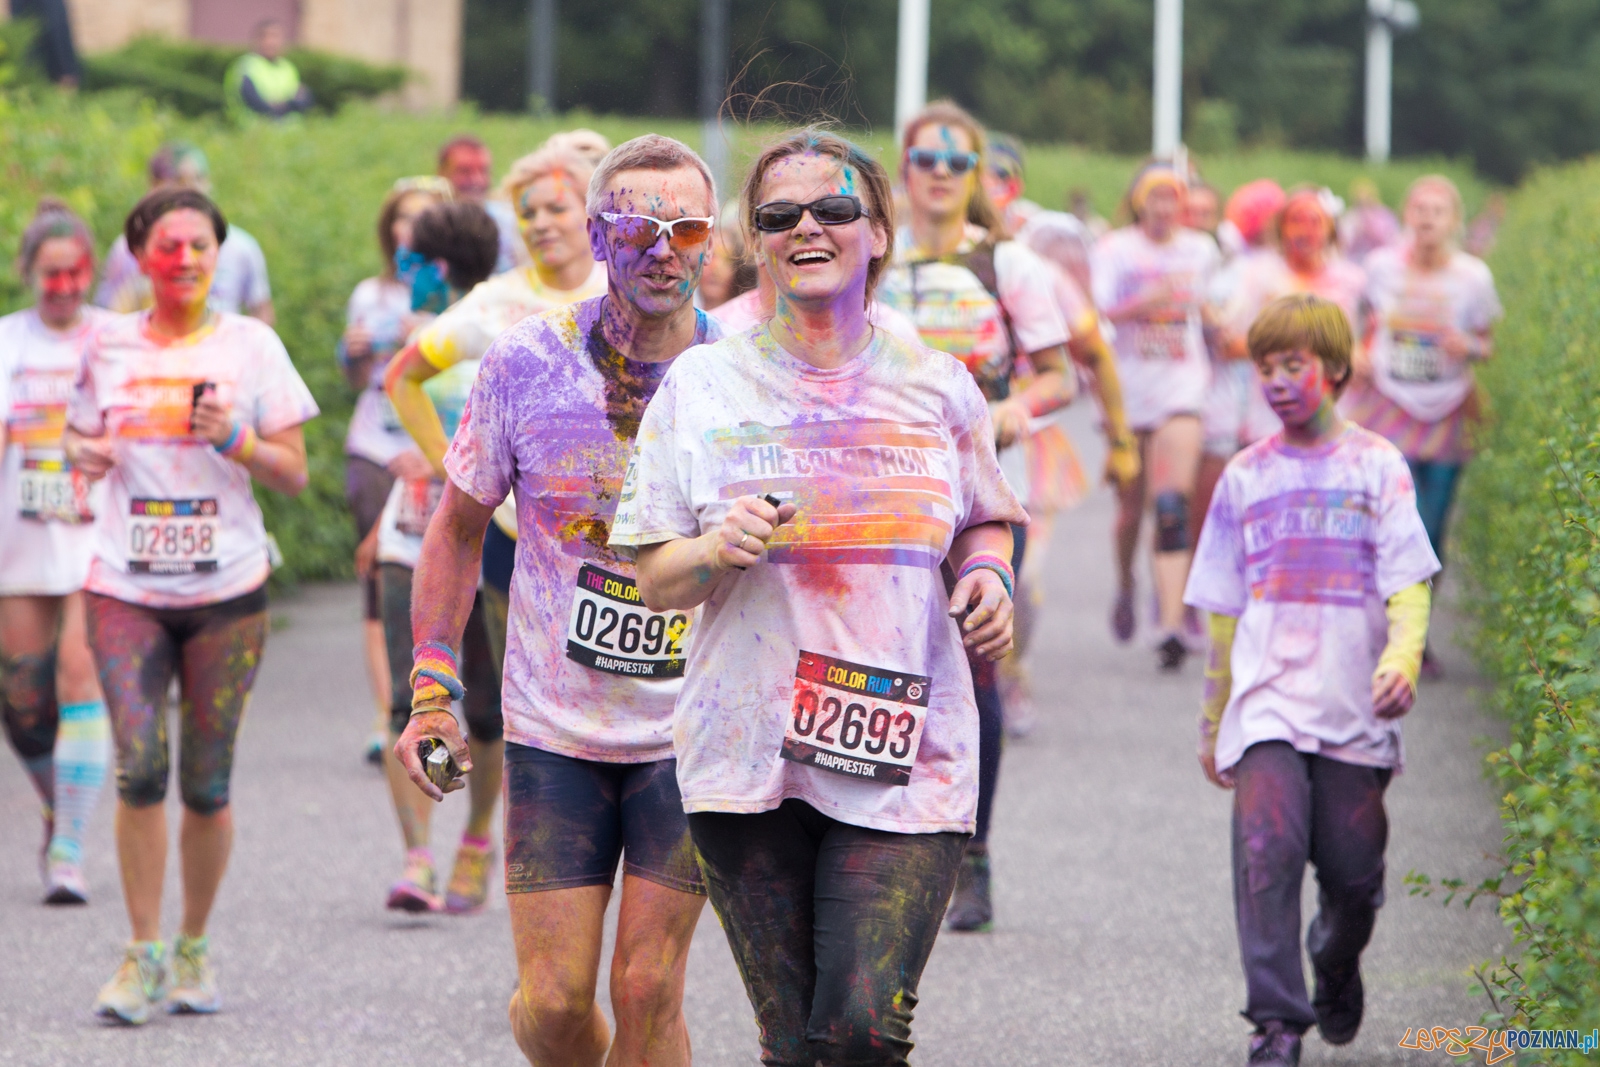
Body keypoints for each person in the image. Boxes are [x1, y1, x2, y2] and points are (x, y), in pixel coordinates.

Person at [612, 127, 1023, 1067]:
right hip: (744, 748)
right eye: (779, 215)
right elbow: (653, 577)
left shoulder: (937, 387)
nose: (807, 227)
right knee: (795, 1043)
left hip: (906, 749)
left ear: (877, 232)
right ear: (755, 243)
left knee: (863, 1030)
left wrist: (989, 574)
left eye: (834, 208)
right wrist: (714, 548)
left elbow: (984, 519)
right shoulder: (703, 386)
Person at [393, 134, 721, 1066]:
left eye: (686, 228)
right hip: (552, 729)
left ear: (709, 241)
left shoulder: (741, 374)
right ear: (597, 234)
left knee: (649, 987)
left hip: (694, 733)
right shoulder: (527, 361)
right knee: (554, 1003)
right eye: (638, 227)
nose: (662, 249)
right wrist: (432, 689)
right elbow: (456, 530)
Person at [65, 187, 318, 1023]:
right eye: (168, 246)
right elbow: (73, 437)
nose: (185, 260)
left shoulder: (252, 345)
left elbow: (294, 471)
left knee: (206, 785)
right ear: (140, 257)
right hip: (125, 587)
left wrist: (235, 437)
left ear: (219, 255)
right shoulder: (104, 343)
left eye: (200, 245)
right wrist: (84, 456)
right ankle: (141, 952)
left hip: (226, 593)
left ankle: (194, 944)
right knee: (141, 768)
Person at [1184, 293, 1439, 1066]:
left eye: (1292, 364)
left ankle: (1335, 954)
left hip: (1352, 704)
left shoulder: (1377, 465)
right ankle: (1276, 1022)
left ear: (1332, 367)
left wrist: (1402, 657)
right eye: (1265, 366)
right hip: (1266, 704)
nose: (1276, 380)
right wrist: (1214, 717)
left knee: (1354, 874)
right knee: (1266, 850)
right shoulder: (1244, 475)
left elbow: (1409, 582)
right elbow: (1223, 612)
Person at [382, 148, 611, 916]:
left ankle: (510, 841)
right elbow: (403, 377)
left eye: (557, 207)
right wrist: (454, 471)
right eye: (529, 211)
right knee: (515, 707)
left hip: (620, 544)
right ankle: (495, 851)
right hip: (518, 538)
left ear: (592, 215)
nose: (543, 222)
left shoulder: (625, 290)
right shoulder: (496, 303)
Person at [876, 101, 1074, 933]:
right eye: (926, 158)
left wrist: (1014, 410)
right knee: (880, 662)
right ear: (905, 166)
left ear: (976, 173)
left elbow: (1061, 374)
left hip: (982, 499)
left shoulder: (1008, 263)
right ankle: (881, 845)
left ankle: (973, 853)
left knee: (974, 663)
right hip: (882, 493)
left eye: (957, 161)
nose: (941, 174)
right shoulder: (872, 252)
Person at [980, 132, 1140, 735]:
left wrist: (1121, 442)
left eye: (991, 176)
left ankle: (1008, 675)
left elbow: (1094, 354)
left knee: (1020, 579)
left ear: (1013, 188)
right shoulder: (908, 258)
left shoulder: (1035, 268)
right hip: (928, 449)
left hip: (1026, 446)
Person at [1339, 175, 1501, 678]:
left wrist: (1467, 346)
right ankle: (1388, 633)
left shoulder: (1473, 277)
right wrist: (1355, 353)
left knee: (1433, 529)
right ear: (1406, 215)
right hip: (1391, 405)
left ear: (1454, 221)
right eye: (1419, 209)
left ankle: (1418, 636)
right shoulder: (1381, 266)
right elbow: (1358, 321)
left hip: (1447, 410)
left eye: (1438, 211)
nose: (1427, 219)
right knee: (1394, 522)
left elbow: (1488, 343)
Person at [0, 201, 112, 905]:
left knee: (79, 676)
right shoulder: (8, 341)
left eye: (74, 272)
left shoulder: (114, 339)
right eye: (51, 273)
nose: (64, 286)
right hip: (20, 538)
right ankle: (56, 802)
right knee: (23, 700)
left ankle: (68, 848)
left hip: (94, 535)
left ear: (90, 271)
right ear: (28, 272)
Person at [1092, 162, 1220, 670]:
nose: (1165, 208)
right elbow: (1096, 314)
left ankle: (1170, 623)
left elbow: (1209, 309)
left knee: (1170, 506)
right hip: (1127, 393)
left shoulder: (1200, 250)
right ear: (1138, 201)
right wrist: (1143, 301)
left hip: (1182, 389)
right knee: (1131, 510)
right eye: (1156, 197)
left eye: (1174, 198)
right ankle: (1127, 584)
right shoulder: (1115, 249)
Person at [341, 178, 451, 765]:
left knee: (440, 579)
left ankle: (441, 707)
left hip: (438, 454)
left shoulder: (464, 295)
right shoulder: (370, 293)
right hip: (375, 449)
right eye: (403, 217)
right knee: (379, 583)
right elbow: (355, 379)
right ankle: (389, 715)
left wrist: (428, 340)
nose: (412, 227)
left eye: (425, 216)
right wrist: (355, 352)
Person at [1196, 186, 1366, 544]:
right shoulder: (1258, 275)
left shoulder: (1353, 280)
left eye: (1315, 222)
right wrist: (1295, 353)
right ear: (1280, 229)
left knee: (1321, 526)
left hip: (1332, 421)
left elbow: (1364, 345)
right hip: (1267, 419)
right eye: (1295, 221)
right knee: (1269, 525)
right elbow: (1230, 343)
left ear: (1331, 229)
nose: (1305, 231)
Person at [96, 142, 275, 325]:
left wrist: (246, 340)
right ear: (154, 186)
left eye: (199, 179)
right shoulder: (129, 248)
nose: (191, 189)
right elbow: (110, 314)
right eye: (178, 180)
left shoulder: (240, 246)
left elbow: (261, 309)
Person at [438, 134, 526, 274]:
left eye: (483, 171)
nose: (477, 180)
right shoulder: (427, 223)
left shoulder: (510, 222)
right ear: (442, 173)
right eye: (465, 171)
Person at [223, 19, 313, 123]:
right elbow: (255, 103)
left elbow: (304, 100)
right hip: (252, 129)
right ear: (256, 40)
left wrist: (281, 105)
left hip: (290, 129)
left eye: (275, 36)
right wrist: (289, 105)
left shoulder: (288, 67)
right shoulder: (245, 66)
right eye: (264, 36)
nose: (270, 41)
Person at [1337, 178, 1399, 267]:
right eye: (1359, 201)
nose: (1363, 204)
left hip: (1380, 261)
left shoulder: (1385, 215)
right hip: (1355, 262)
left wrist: (1370, 227)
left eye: (1366, 199)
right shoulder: (1351, 216)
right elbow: (1344, 244)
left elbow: (1391, 240)